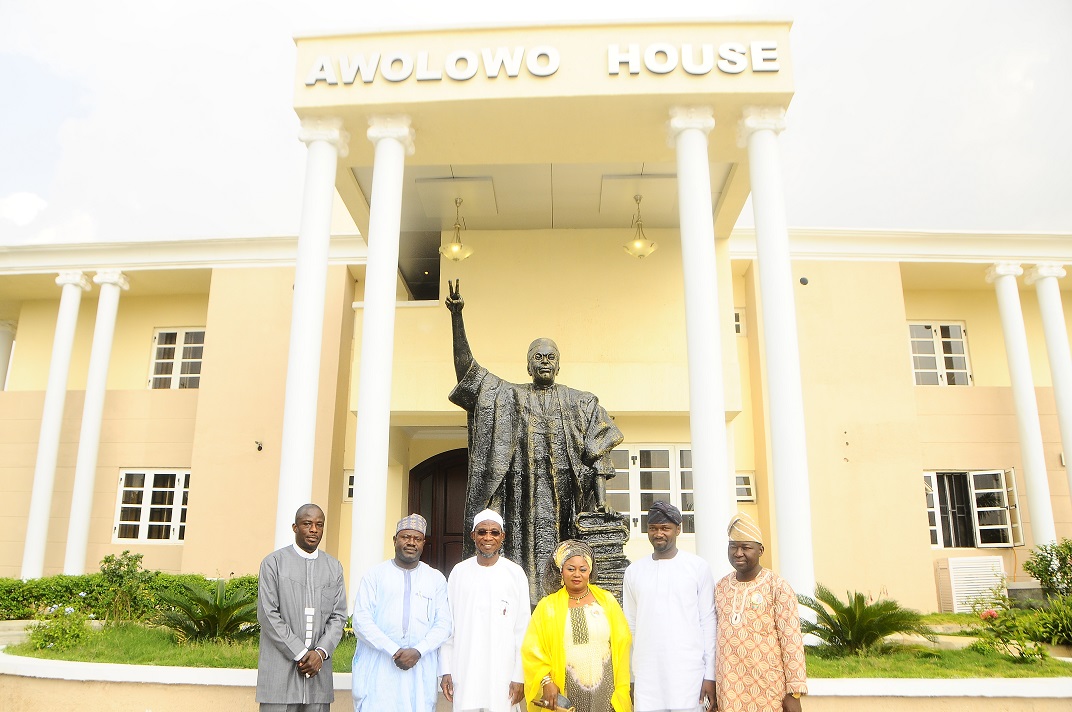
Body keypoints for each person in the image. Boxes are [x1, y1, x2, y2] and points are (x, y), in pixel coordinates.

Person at [445, 280, 624, 601]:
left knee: (565, 571)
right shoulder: (508, 395)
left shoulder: (579, 402)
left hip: (564, 502)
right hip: (518, 501)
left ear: (558, 364)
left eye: (550, 357)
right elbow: (468, 374)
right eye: (538, 357)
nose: (544, 361)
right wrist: (457, 319)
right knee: (517, 573)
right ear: (528, 365)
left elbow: (600, 452)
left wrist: (599, 504)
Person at [351, 514, 452, 712]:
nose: (411, 543)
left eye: (417, 539)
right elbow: (361, 621)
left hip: (420, 666)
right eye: (405, 537)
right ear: (395, 540)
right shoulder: (375, 575)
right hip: (380, 666)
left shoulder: (435, 579)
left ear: (423, 543)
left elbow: (444, 624)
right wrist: (393, 650)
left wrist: (419, 650)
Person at [622, 501, 716, 712]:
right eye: (653, 528)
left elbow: (708, 622)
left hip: (688, 672)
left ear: (678, 529)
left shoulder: (698, 568)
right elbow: (630, 625)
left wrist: (710, 676)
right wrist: (631, 675)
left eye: (665, 528)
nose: (659, 533)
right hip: (647, 674)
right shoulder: (634, 571)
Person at [256, 503, 348, 712]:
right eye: (307, 523)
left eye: (319, 525)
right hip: (280, 675)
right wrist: (300, 653)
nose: (314, 529)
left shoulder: (333, 567)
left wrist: (321, 653)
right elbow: (268, 614)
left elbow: (338, 616)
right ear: (295, 527)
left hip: (318, 674)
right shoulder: (274, 563)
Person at [522, 540, 632, 712]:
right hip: (565, 692)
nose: (577, 574)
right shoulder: (547, 607)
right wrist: (546, 681)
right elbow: (532, 649)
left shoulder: (607, 601)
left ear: (590, 571)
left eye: (583, 569)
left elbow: (623, 642)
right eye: (570, 569)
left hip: (605, 691)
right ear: (561, 571)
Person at [440, 508, 532, 712]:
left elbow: (522, 630)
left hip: (503, 674)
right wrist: (446, 671)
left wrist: (519, 677)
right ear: (473, 535)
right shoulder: (459, 572)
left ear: (503, 537)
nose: (487, 537)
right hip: (465, 669)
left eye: (494, 532)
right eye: (482, 532)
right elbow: (449, 627)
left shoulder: (515, 574)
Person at [714, 513, 807, 712]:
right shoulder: (721, 587)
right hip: (728, 692)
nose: (738, 553)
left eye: (746, 547)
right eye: (733, 547)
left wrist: (794, 693)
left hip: (769, 691)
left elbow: (792, 642)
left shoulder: (777, 586)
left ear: (760, 550)